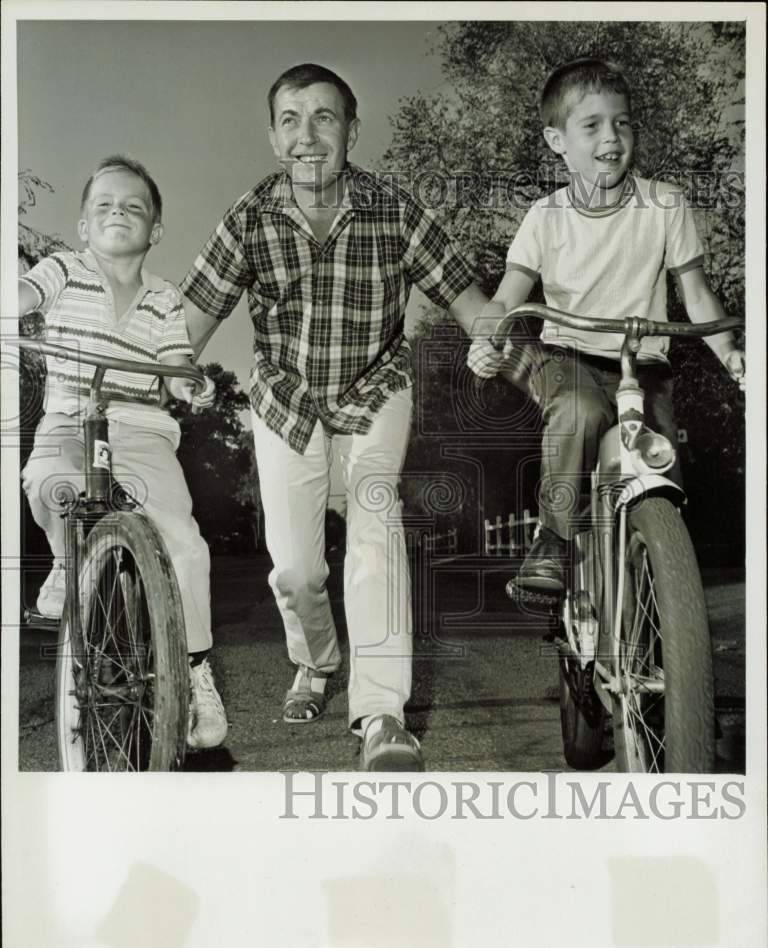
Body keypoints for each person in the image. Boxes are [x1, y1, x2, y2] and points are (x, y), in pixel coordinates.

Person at [181, 63, 487, 770]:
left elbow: (473, 305)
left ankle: (381, 714)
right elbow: (188, 325)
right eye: (291, 119)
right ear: (272, 135)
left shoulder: (395, 210)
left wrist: (497, 341)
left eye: (325, 117)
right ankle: (316, 662)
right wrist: (158, 366)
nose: (308, 135)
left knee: (376, 524)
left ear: (353, 129)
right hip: (286, 401)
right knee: (295, 571)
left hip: (375, 392)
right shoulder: (250, 215)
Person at [468, 58, 745, 594]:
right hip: (567, 359)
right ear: (558, 141)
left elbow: (698, 295)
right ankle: (553, 539)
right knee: (579, 411)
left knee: (659, 470)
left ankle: (660, 599)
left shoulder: (665, 203)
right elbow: (507, 298)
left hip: (644, 365)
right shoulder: (543, 219)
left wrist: (731, 353)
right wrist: (487, 339)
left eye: (622, 122)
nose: (611, 137)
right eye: (590, 125)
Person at [19, 155, 228, 750]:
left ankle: (194, 669)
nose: (119, 213)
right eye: (104, 205)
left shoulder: (164, 296)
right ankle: (68, 558)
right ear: (83, 224)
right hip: (69, 414)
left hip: (140, 426)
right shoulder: (63, 268)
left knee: (183, 543)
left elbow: (173, 357)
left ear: (154, 230)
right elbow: (28, 293)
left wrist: (188, 379)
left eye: (134, 207)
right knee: (47, 484)